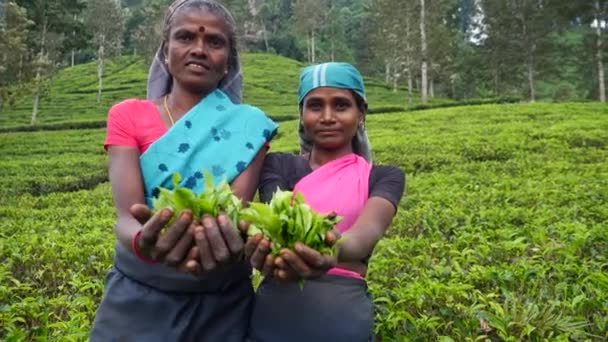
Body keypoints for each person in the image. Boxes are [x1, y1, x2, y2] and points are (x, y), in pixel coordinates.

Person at [90, 1, 277, 341]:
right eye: (185, 37)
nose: (199, 49)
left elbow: (233, 211)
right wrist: (143, 242)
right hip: (137, 294)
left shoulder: (249, 127)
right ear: (165, 50)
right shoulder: (127, 115)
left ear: (228, 61)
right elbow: (127, 216)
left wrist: (223, 242)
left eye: (215, 42)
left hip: (220, 302)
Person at [246, 62, 405, 342]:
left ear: (361, 113)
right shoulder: (279, 165)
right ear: (302, 113)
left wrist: (333, 248)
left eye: (341, 106)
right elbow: (278, 221)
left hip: (341, 318)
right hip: (275, 314)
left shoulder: (383, 177)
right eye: (316, 106)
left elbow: (365, 234)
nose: (328, 117)